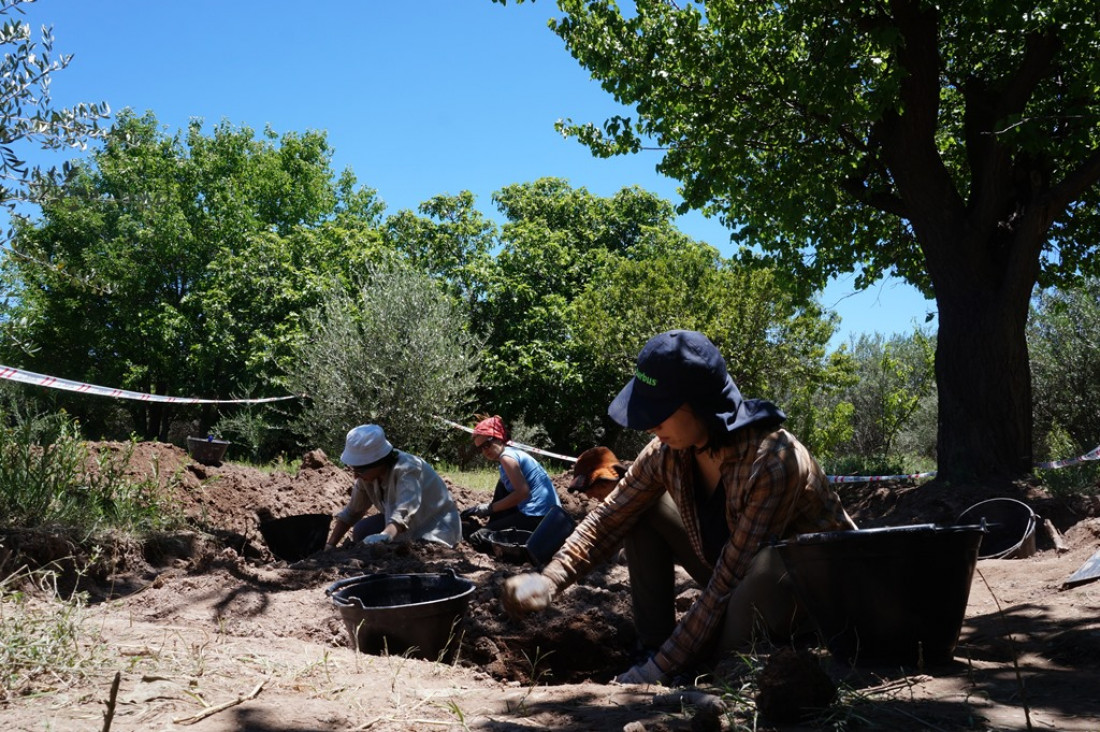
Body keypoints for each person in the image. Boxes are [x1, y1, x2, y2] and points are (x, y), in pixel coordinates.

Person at [501, 330, 857, 684]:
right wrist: (549, 581)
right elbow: (609, 519)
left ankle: (701, 663)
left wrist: (659, 672)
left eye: (660, 411)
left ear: (700, 402)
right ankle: (654, 645)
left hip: (808, 596)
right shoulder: (667, 451)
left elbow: (727, 582)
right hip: (729, 575)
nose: (650, 425)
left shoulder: (773, 460)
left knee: (763, 577)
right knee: (639, 511)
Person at [324, 424, 462, 549]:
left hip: (433, 528)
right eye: (353, 469)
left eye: (360, 471)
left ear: (378, 462)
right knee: (362, 530)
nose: (355, 476)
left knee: (401, 551)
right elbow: (353, 512)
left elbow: (404, 511)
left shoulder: (408, 468)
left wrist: (385, 535)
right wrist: (330, 545)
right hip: (403, 526)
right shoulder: (367, 476)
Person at [462, 415, 563, 549]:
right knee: (502, 484)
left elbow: (522, 494)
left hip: (538, 518)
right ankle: (496, 525)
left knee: (477, 539)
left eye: (487, 444)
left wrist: (489, 508)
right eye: (480, 448)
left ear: (498, 438)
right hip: (552, 516)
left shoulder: (507, 458)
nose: (485, 451)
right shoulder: (512, 454)